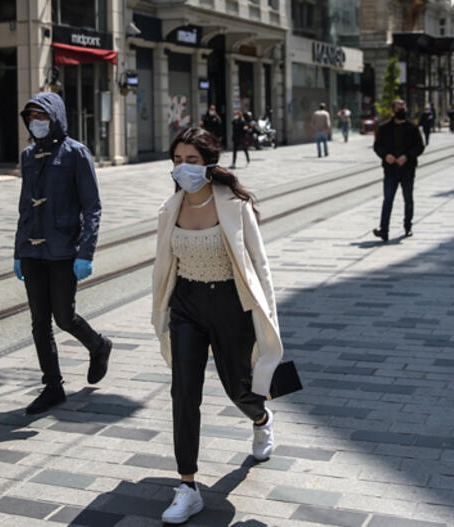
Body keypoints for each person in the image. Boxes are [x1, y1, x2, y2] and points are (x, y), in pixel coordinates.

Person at [151, 127, 282, 524]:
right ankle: (187, 485)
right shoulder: (170, 208)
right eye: (177, 160)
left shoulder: (234, 206)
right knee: (184, 392)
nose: (183, 168)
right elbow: (165, 266)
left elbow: (260, 267)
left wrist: (271, 319)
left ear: (209, 162)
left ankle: (260, 419)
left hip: (230, 305)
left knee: (237, 387)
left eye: (191, 160)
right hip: (187, 306)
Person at [13, 92, 112, 415]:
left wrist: (86, 251)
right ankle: (53, 386)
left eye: (41, 116)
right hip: (33, 250)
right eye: (31, 117)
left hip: (64, 251)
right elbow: (25, 207)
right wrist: (19, 250)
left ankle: (98, 345)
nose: (35, 122)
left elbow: (92, 207)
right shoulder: (29, 156)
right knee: (39, 322)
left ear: (55, 117)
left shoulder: (76, 153)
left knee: (64, 317)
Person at [372, 99, 425, 241]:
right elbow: (377, 146)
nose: (401, 111)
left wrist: (407, 156)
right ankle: (384, 230)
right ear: (392, 111)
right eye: (398, 108)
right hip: (390, 170)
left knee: (408, 199)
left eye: (403, 108)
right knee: (388, 200)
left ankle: (408, 226)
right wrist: (385, 155)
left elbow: (420, 146)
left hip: (407, 169)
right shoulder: (384, 128)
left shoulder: (412, 128)